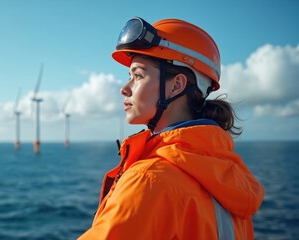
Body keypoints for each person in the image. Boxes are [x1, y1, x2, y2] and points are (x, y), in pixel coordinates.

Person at [78, 17, 264, 240]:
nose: (124, 89)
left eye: (138, 76)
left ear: (177, 85)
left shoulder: (149, 180)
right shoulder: (230, 177)